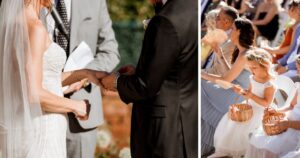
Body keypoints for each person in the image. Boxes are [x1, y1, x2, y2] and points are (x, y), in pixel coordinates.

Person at [0, 0, 107, 157]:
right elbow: (34, 94)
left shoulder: (10, 25)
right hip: (44, 129)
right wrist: (76, 106)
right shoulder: (35, 28)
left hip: (26, 127)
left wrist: (84, 74)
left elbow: (35, 79)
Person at [101, 0, 198, 157]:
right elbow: (178, 67)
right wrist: (140, 71)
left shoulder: (165, 20)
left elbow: (145, 85)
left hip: (164, 132)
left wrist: (115, 82)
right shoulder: (192, 7)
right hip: (188, 121)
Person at [42, 0, 120, 157]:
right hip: (39, 112)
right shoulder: (28, 3)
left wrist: (82, 78)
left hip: (81, 117)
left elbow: (110, 51)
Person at [201, 17, 255, 156]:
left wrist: (203, 75)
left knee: (200, 86)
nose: (230, 31)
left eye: (233, 29)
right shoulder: (242, 51)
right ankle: (202, 142)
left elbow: (226, 80)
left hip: (237, 96)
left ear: (239, 32)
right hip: (232, 90)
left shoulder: (245, 54)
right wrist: (220, 56)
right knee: (201, 87)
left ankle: (203, 143)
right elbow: (231, 76)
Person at [208, 48, 276, 158]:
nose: (252, 70)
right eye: (250, 67)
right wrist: (242, 91)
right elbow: (249, 92)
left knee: (245, 132)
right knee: (233, 123)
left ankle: (244, 153)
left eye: (254, 67)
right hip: (248, 107)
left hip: (259, 112)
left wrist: (251, 96)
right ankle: (231, 152)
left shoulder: (269, 84)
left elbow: (266, 103)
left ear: (265, 66)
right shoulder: (253, 76)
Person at [245, 54, 300, 158]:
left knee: (269, 147)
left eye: (299, 69)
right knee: (256, 139)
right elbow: (291, 106)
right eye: (297, 69)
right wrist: (276, 111)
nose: (297, 72)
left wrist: (288, 124)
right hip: (286, 122)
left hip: (295, 130)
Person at [203, 6, 238, 76]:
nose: (215, 20)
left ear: (226, 22)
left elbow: (218, 71)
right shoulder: (220, 34)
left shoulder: (230, 42)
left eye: (218, 18)